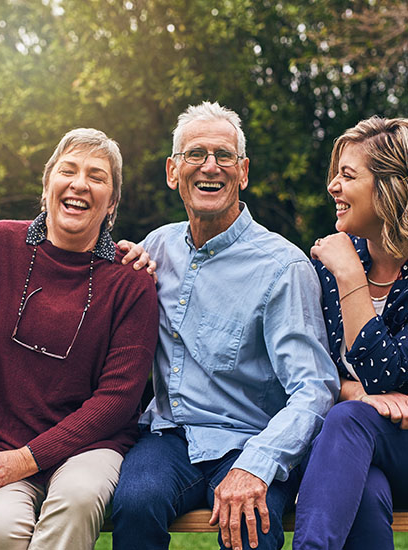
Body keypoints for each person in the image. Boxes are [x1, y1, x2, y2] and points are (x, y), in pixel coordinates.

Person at [0, 128, 159, 550]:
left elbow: (117, 399)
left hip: (89, 449)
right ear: (47, 186)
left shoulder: (131, 280)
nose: (80, 184)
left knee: (78, 500)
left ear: (112, 202)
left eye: (97, 177)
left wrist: (27, 459)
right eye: (69, 170)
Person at [111, 101, 340, 550]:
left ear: (244, 171)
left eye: (224, 155)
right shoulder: (155, 247)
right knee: (135, 503)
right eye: (195, 154)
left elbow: (314, 388)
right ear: (173, 171)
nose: (209, 166)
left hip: (251, 438)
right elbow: (88, 279)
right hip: (170, 437)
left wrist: (258, 463)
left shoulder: (283, 268)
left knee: (254, 525)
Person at [292, 116, 408, 550]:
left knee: (348, 424)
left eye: (348, 175)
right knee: (365, 490)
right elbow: (311, 370)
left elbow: (386, 378)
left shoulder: (339, 264)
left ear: (390, 188)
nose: (333, 188)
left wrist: (349, 274)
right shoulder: (329, 264)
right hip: (360, 448)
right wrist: (356, 395)